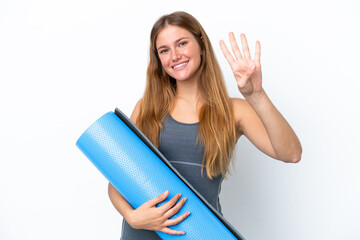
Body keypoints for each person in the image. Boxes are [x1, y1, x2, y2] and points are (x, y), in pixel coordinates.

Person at [108, 11, 302, 240]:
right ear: (158, 59)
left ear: (201, 44)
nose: (175, 56)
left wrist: (256, 95)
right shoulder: (146, 108)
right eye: (164, 50)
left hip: (200, 234)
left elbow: (291, 153)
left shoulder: (233, 111)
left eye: (182, 43)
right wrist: (133, 217)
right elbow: (116, 179)